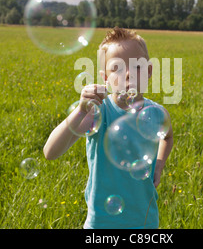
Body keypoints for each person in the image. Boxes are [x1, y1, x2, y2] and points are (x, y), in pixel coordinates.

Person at [43, 27, 174, 229]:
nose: (128, 73)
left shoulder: (155, 113)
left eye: (136, 66)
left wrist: (159, 164)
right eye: (118, 68)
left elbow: (167, 136)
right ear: (105, 78)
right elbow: (50, 152)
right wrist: (80, 110)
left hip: (144, 220)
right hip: (101, 223)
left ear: (148, 71)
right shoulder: (98, 113)